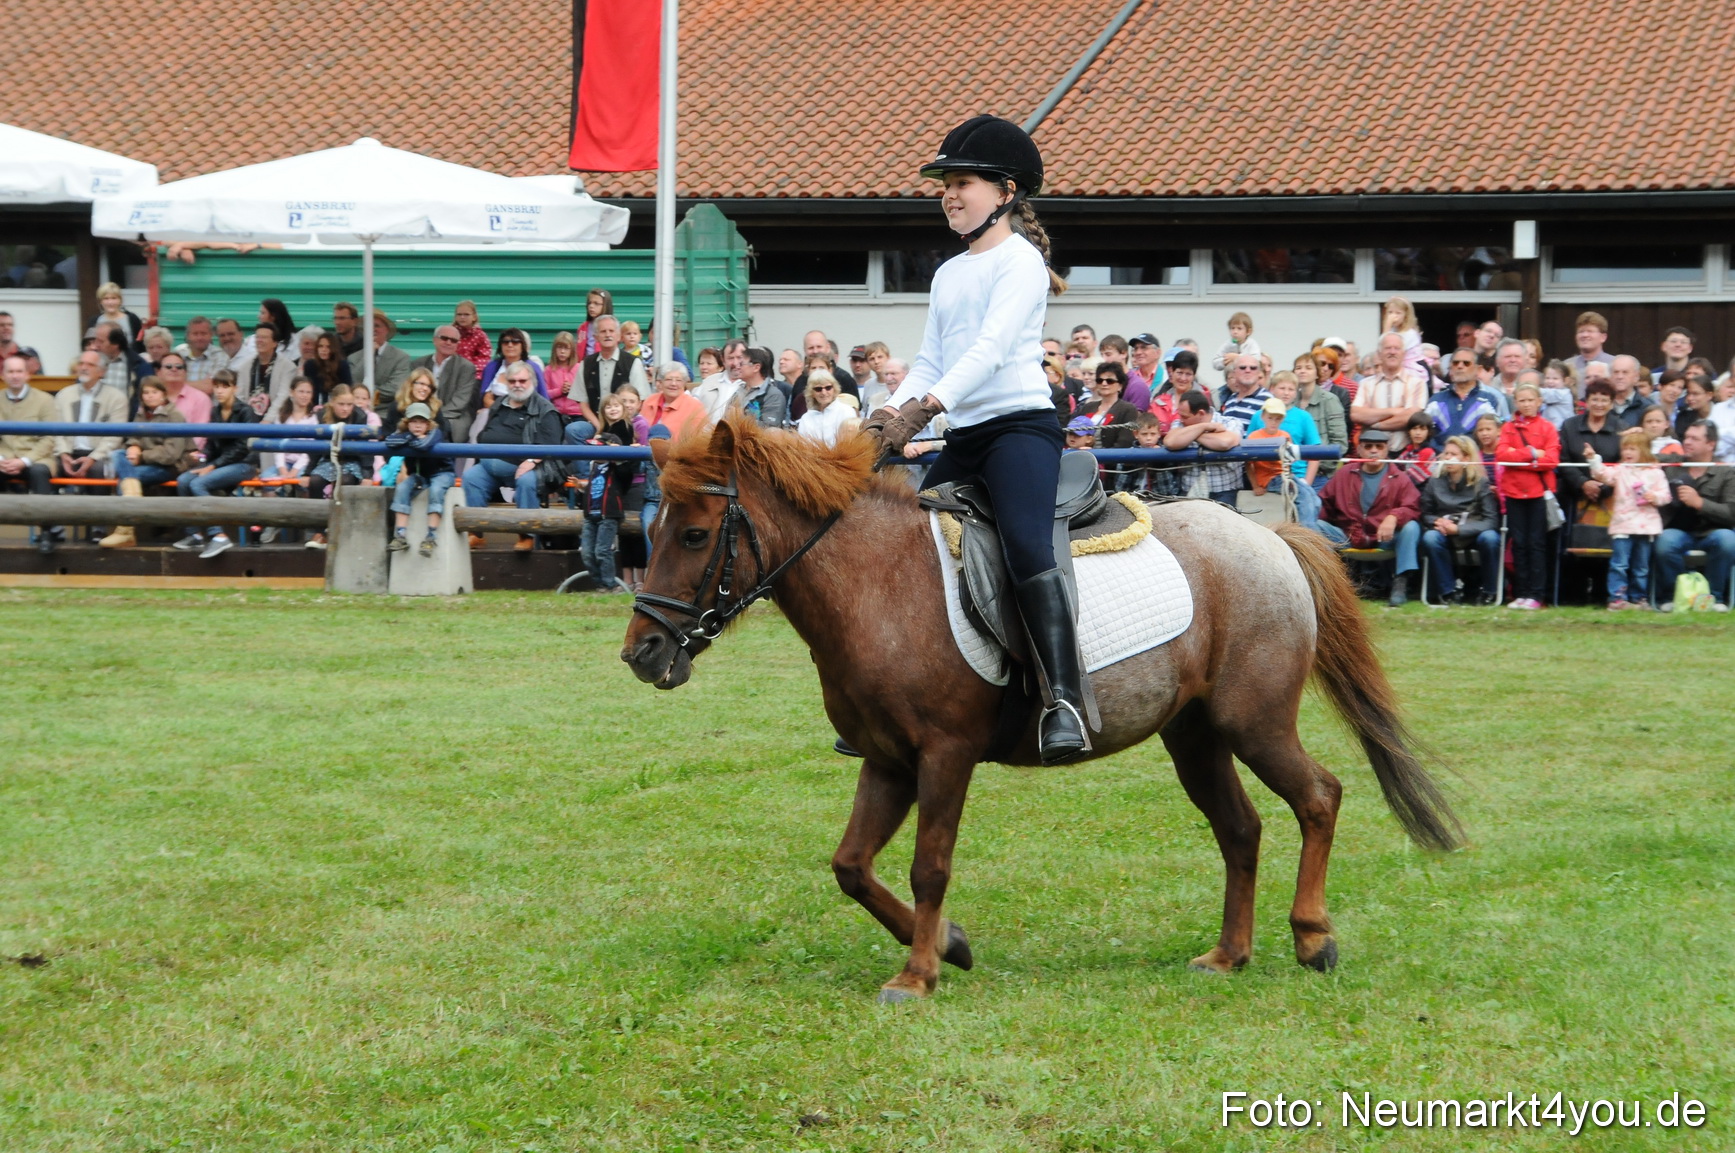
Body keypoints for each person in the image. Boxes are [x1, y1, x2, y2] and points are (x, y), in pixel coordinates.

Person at [862, 115, 1089, 764]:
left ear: (1006, 192)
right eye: (945, 185)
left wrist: (923, 410)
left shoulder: (1021, 262)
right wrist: (886, 414)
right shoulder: (949, 273)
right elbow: (932, 360)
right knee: (903, 546)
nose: (949, 195)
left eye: (962, 183)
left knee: (1025, 546)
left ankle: (1064, 699)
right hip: (963, 436)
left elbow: (988, 352)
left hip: (1020, 430)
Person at [461, 365, 563, 552]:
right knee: (470, 477)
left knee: (526, 481)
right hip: (488, 467)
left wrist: (532, 460)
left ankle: (527, 535)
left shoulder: (545, 409)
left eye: (522, 381)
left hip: (527, 467)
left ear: (532, 382)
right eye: (512, 381)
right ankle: (476, 534)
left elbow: (552, 443)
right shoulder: (499, 404)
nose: (517, 385)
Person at [1317, 429, 1422, 605]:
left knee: (1412, 528)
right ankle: (1329, 584)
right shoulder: (1344, 473)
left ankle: (1400, 583)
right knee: (1315, 526)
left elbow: (1413, 507)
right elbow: (1324, 503)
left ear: (1387, 450)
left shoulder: (1400, 478)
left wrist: (1394, 516)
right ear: (1359, 450)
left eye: (1379, 447)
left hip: (1384, 540)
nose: (1374, 451)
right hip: (1349, 536)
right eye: (1368, 446)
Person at [171, 370, 261, 557]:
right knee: (183, 480)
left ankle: (218, 535)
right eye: (217, 386)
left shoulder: (245, 411)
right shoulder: (215, 411)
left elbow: (242, 448)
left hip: (244, 464)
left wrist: (212, 465)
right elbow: (211, 444)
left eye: (225, 387)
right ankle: (194, 534)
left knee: (198, 483)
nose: (219, 391)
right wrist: (201, 456)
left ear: (235, 388)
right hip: (220, 464)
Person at [98, 377, 195, 548]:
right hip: (145, 462)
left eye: (154, 392)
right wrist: (133, 446)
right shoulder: (141, 413)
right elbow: (133, 438)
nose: (149, 396)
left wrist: (142, 456)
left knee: (126, 480)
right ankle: (127, 527)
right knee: (119, 454)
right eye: (146, 392)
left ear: (163, 394)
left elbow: (171, 454)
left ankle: (125, 531)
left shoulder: (174, 416)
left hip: (171, 467)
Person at [1586, 428, 1671, 609]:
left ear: (1644, 451)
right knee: (1619, 564)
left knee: (1641, 566)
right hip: (1623, 525)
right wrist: (1593, 459)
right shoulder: (1620, 470)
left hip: (1646, 527)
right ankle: (1617, 598)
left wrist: (1654, 497)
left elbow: (1666, 496)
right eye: (1625, 449)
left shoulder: (1656, 472)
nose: (1627, 452)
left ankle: (1638, 598)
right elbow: (1602, 474)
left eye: (1632, 449)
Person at [1655, 421, 1735, 610]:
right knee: (1665, 542)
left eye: (1694, 438)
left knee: (1728, 540)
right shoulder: (1672, 464)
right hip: (1678, 531)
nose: (1687, 442)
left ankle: (1714, 598)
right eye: (1686, 437)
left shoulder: (1727, 471)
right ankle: (1674, 597)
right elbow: (1645, 457)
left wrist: (1699, 503)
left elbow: (1732, 513)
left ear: (1710, 444)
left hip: (1713, 532)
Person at [1494, 383, 1560, 610]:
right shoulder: (1508, 427)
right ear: (1516, 403)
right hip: (1514, 493)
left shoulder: (1548, 428)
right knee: (1519, 544)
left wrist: (1519, 457)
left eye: (1531, 400)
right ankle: (1520, 593)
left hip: (1538, 494)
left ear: (1539, 401)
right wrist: (1532, 453)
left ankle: (1537, 594)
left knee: (1537, 544)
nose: (1527, 404)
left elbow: (1551, 460)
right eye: (1522, 400)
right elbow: (1502, 455)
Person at [1416, 436, 1502, 605]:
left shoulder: (1481, 483)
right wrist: (1437, 521)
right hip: (1445, 532)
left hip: (1473, 533)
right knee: (1430, 538)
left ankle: (1490, 591)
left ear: (1466, 458)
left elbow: (1491, 521)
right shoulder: (1434, 482)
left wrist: (1459, 530)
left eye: (1453, 454)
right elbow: (1425, 513)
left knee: (1491, 538)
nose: (1448, 458)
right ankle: (1448, 592)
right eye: (1446, 453)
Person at [0, 355, 58, 552]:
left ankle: (46, 533)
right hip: (3, 458)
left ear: (27, 375)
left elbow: (49, 438)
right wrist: (1, 459)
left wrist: (25, 460)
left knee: (39, 472)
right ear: (3, 375)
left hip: (36, 458)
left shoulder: (45, 400)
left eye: (19, 371)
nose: (15, 376)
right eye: (10, 371)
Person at [385, 402, 455, 558]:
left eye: (422, 422)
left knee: (436, 490)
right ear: (407, 423)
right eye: (414, 421)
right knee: (402, 488)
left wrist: (407, 440)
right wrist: (410, 437)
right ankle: (400, 535)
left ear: (428, 424)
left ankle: (431, 536)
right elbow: (390, 441)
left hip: (442, 473)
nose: (418, 425)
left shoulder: (436, 432)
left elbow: (423, 445)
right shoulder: (406, 433)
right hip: (419, 475)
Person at [564, 316, 650, 441]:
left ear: (619, 336)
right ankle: (592, 455)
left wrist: (619, 425)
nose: (607, 335)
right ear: (595, 337)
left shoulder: (632, 362)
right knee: (572, 430)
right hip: (595, 423)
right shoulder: (586, 364)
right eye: (603, 331)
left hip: (626, 423)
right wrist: (599, 426)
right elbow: (583, 404)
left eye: (611, 331)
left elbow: (640, 401)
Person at [53, 348, 128, 485]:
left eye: (90, 365)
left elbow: (115, 437)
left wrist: (93, 458)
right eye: (81, 363)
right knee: (46, 468)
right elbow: (55, 430)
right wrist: (63, 453)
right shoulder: (63, 395)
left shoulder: (116, 398)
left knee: (98, 470)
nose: (83, 368)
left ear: (102, 372)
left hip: (100, 455)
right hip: (68, 452)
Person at [577, 426, 633, 594]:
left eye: (599, 447)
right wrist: (582, 487)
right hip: (590, 515)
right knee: (587, 553)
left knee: (602, 551)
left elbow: (626, 473)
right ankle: (601, 585)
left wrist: (618, 454)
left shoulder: (618, 468)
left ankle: (610, 585)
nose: (594, 451)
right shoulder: (593, 466)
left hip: (608, 515)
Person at [1163, 391, 1243, 504]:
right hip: (1190, 492)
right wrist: (1205, 427)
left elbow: (1224, 443)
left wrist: (1191, 434)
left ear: (1201, 413)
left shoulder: (1230, 422)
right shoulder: (1179, 423)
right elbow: (1170, 442)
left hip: (1225, 491)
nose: (1181, 419)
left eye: (1185, 416)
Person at [1558, 378, 1622, 513]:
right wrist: (1583, 483)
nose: (1599, 404)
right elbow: (1563, 460)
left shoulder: (1622, 428)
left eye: (1604, 400)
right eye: (1594, 399)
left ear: (1611, 404)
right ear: (1586, 402)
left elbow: (1624, 462)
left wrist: (1604, 487)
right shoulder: (1569, 426)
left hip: (1612, 496)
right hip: (1573, 495)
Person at [408, 325, 479, 442]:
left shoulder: (466, 367)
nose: (448, 342)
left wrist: (432, 417)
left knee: (442, 428)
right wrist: (420, 414)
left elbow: (459, 402)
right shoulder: (418, 364)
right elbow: (409, 392)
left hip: (452, 417)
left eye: (453, 340)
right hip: (418, 414)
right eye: (444, 338)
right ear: (434, 340)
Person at [1352, 333, 1428, 434]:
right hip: (1372, 444)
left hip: (1403, 445)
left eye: (1397, 348)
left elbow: (1412, 417)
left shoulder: (1417, 383)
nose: (1392, 352)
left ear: (1404, 353)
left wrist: (1376, 425)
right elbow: (1356, 414)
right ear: (1379, 354)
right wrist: (1393, 411)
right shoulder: (1365, 384)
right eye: (1388, 348)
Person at [347, 310, 412, 398]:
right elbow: (353, 382)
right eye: (369, 326)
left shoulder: (401, 357)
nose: (373, 329)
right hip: (358, 405)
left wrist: (366, 394)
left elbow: (395, 388)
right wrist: (369, 355)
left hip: (386, 406)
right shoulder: (353, 358)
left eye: (377, 326)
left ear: (387, 330)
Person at [641, 362, 707, 443]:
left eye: (678, 380)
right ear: (661, 382)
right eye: (668, 379)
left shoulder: (695, 407)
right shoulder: (650, 401)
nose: (673, 384)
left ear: (684, 383)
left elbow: (699, 439)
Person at [1076, 362, 1138, 448]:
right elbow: (1074, 433)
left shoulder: (1128, 409)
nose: (1104, 383)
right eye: (1100, 380)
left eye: (1110, 381)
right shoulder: (1087, 407)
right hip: (1084, 454)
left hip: (1112, 455)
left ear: (1120, 386)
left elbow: (1125, 442)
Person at [245, 323, 298, 416]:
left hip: (276, 420)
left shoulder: (288, 367)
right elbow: (240, 397)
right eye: (257, 337)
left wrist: (267, 420)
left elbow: (283, 397)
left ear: (275, 343)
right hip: (248, 419)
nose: (259, 340)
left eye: (264, 337)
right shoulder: (245, 366)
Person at [480, 327, 545, 402]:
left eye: (515, 342)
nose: (510, 345)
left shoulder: (533, 367)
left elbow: (542, 397)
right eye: (505, 342)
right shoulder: (492, 367)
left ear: (522, 346)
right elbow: (485, 397)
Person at [796, 369, 857, 446]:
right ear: (811, 392)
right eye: (818, 389)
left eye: (828, 388)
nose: (824, 393)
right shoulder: (806, 418)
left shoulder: (847, 411)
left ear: (834, 389)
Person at [150, 349, 211, 425]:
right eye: (168, 366)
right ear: (158, 372)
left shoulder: (200, 399)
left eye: (179, 367)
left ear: (185, 372)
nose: (174, 369)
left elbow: (201, 431)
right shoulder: (149, 396)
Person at [691, 337, 744, 422]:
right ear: (723, 360)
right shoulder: (709, 381)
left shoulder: (751, 385)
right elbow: (691, 409)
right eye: (730, 358)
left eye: (739, 358)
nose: (735, 363)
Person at [736, 346, 788, 428]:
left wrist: (739, 418)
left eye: (741, 364)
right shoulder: (739, 390)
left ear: (756, 367)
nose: (737, 367)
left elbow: (769, 426)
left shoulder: (773, 395)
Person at [89, 282, 145, 349]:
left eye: (114, 298)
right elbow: (90, 345)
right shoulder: (94, 321)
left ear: (120, 300)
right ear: (100, 301)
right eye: (106, 298)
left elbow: (140, 345)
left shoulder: (132, 319)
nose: (110, 302)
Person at [1381, 296, 1425, 378]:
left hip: (1411, 370)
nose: (1393, 316)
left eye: (1398, 313)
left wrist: (1387, 327)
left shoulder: (1410, 333)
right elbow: (1381, 349)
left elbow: (1390, 347)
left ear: (1406, 315)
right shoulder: (1392, 331)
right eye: (1390, 312)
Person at [544, 331, 582, 422]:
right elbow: (544, 394)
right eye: (559, 347)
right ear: (554, 349)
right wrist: (560, 391)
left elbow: (585, 394)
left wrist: (573, 391)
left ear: (572, 350)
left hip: (577, 414)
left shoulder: (579, 368)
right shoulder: (548, 370)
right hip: (556, 413)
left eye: (566, 348)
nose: (562, 351)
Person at [1566, 311, 1614, 384]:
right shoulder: (1566, 366)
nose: (1585, 335)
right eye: (1581, 331)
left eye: (1590, 331)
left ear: (1603, 337)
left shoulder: (1614, 365)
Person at [1608, 355, 1655, 430]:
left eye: (1625, 372)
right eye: (1616, 372)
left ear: (1636, 377)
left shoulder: (1647, 407)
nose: (1620, 376)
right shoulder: (1600, 405)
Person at [303, 332, 352, 403]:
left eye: (328, 347)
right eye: (320, 346)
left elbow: (347, 389)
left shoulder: (342, 365)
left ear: (334, 349)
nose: (323, 350)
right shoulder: (310, 365)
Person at [1391, 412, 1437, 487]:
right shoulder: (1409, 450)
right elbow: (1394, 466)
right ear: (1409, 431)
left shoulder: (1428, 452)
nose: (1418, 433)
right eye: (1414, 429)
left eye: (1422, 429)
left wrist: (1393, 476)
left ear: (1429, 432)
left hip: (1420, 491)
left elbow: (1412, 478)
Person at [1212, 311, 1259, 376]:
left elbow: (1257, 360)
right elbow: (1215, 362)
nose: (1235, 332)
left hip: (1248, 376)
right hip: (1232, 377)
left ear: (1248, 331)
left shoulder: (1252, 344)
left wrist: (1237, 357)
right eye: (1232, 328)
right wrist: (1225, 361)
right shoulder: (1227, 344)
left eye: (1239, 328)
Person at [1674, 373, 1717, 443]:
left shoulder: (1723, 413)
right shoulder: (1683, 417)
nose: (1690, 398)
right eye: (1688, 393)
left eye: (1695, 394)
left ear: (1709, 395)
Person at [452, 300, 492, 372]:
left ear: (474, 317)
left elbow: (484, 358)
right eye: (459, 314)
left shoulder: (480, 335)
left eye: (466, 314)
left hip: (473, 373)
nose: (462, 317)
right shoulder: (451, 333)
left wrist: (468, 368)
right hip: (452, 370)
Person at [574, 287, 613, 357]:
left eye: (596, 303)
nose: (591, 306)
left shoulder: (612, 327)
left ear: (605, 305)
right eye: (589, 303)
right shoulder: (583, 327)